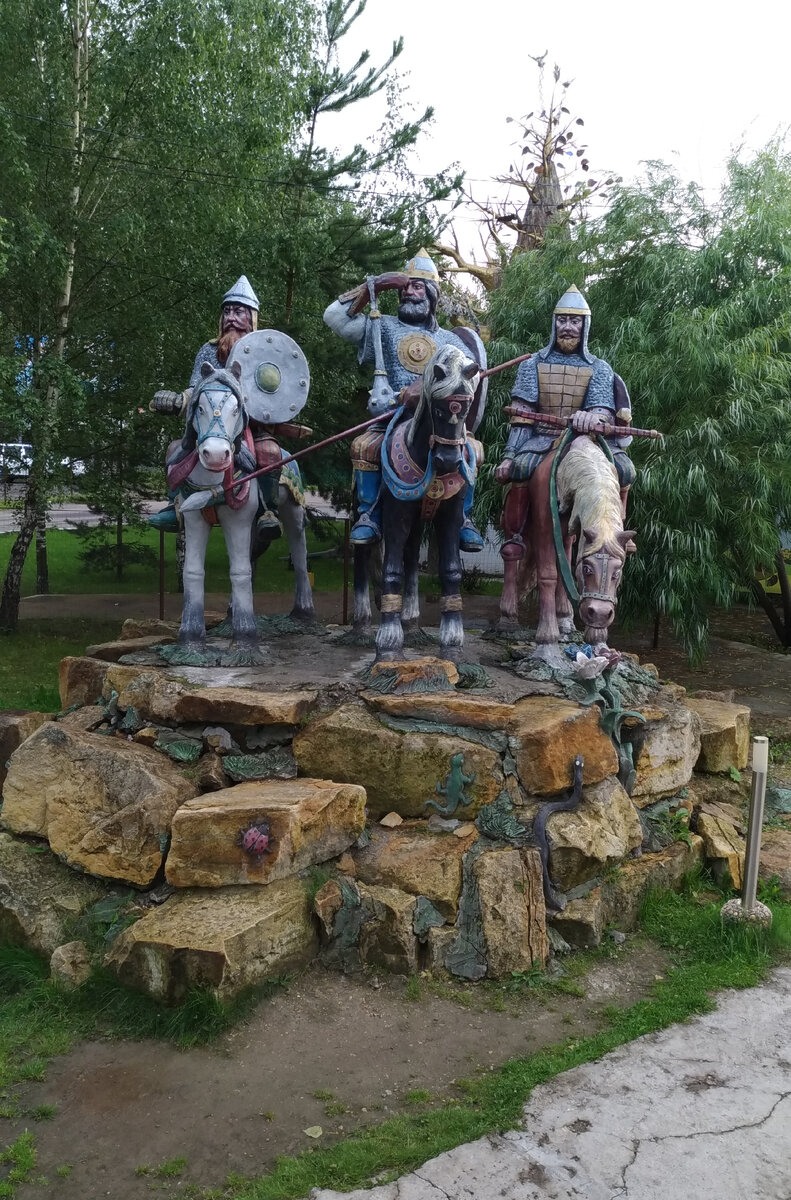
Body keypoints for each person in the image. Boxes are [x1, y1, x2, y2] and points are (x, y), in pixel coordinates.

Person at [323, 249, 487, 550]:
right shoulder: (381, 325)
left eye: (418, 286)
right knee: (364, 446)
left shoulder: (450, 340)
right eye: (405, 287)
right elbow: (333, 318)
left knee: (472, 450)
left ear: (432, 294)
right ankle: (369, 514)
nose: (409, 292)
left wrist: (424, 388)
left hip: (439, 421)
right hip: (392, 415)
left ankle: (464, 518)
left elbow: (469, 377)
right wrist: (375, 285)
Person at [150, 276, 303, 535]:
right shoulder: (209, 350)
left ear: (252, 317)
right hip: (211, 427)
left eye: (239, 311)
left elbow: (276, 391)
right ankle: (174, 506)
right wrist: (180, 400)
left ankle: (268, 510)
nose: (231, 317)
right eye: (227, 311)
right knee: (175, 449)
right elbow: (196, 387)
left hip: (252, 427)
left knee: (269, 452)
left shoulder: (266, 352)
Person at [495, 284, 636, 560]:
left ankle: (617, 528)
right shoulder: (531, 364)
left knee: (625, 468)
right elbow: (521, 416)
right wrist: (509, 455)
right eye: (562, 320)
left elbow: (603, 412)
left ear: (585, 325)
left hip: (585, 442)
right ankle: (516, 534)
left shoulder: (599, 367)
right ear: (554, 323)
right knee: (521, 467)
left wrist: (592, 417)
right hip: (542, 438)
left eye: (574, 321)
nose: (567, 327)